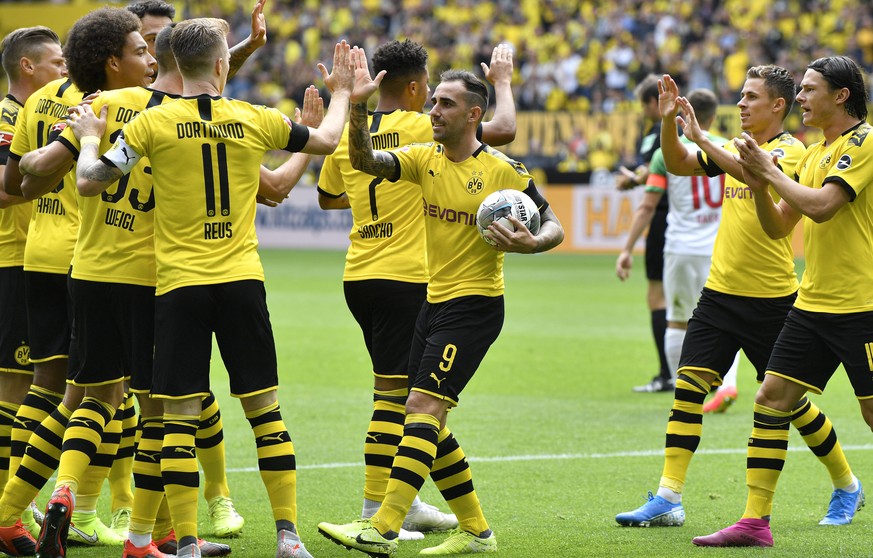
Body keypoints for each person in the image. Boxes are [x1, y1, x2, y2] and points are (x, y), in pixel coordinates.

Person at [71, 18, 358, 558]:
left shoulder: (151, 125)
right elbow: (324, 139)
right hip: (241, 280)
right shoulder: (254, 117)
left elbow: (91, 181)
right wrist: (341, 92)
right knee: (265, 411)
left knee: (178, 417)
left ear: (171, 64)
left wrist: (89, 139)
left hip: (179, 286)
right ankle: (288, 538)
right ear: (223, 65)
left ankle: (183, 543)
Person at [317, 56, 564, 556]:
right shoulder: (422, 157)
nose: (434, 109)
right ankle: (475, 531)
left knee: (420, 407)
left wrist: (531, 244)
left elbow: (553, 223)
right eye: (433, 100)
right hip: (431, 302)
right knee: (432, 422)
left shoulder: (502, 171)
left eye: (446, 104)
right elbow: (364, 163)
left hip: (474, 306)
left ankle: (382, 526)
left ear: (474, 115)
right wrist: (359, 108)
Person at [615, 66, 861, 533]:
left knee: (793, 407)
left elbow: (755, 176)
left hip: (772, 301)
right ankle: (668, 496)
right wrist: (669, 123)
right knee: (687, 389)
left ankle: (846, 483)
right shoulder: (737, 146)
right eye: (740, 96)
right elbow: (679, 163)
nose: (742, 104)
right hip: (720, 294)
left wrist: (704, 139)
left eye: (751, 97)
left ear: (778, 106)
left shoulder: (793, 152)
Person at [693, 55, 872, 548]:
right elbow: (778, 227)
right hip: (813, 302)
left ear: (841, 95)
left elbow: (821, 207)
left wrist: (766, 174)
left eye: (810, 89)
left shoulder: (864, 142)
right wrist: (757, 176)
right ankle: (754, 522)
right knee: (772, 398)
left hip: (863, 305)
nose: (800, 98)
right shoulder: (815, 154)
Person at [0, 8, 158, 554]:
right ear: (113, 59)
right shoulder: (141, 105)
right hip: (115, 261)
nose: (152, 58)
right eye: (143, 49)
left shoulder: (48, 102)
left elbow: (19, 177)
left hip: (51, 254)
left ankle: (27, 505)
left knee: (57, 390)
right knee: (127, 398)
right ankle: (108, 517)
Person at [615, 88, 740, 393]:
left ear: (686, 113)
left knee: (677, 320)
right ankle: (724, 387)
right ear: (712, 116)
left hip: (680, 247)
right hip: (718, 247)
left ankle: (683, 387)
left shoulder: (664, 153)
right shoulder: (728, 147)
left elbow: (647, 205)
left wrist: (627, 249)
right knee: (727, 321)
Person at [0, 26, 66, 545]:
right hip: (15, 262)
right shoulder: (7, 116)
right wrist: (46, 175)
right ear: (28, 67)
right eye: (55, 63)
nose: (63, 71)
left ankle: (18, 503)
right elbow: (4, 192)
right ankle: (8, 510)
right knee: (19, 388)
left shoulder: (36, 114)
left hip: (31, 260)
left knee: (38, 387)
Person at [616, 74, 671, 393]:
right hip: (686, 221)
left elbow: (654, 169)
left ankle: (667, 373)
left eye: (643, 104)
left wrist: (634, 180)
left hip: (665, 214)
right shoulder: (670, 131)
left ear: (654, 102)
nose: (642, 110)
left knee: (658, 294)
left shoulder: (663, 132)